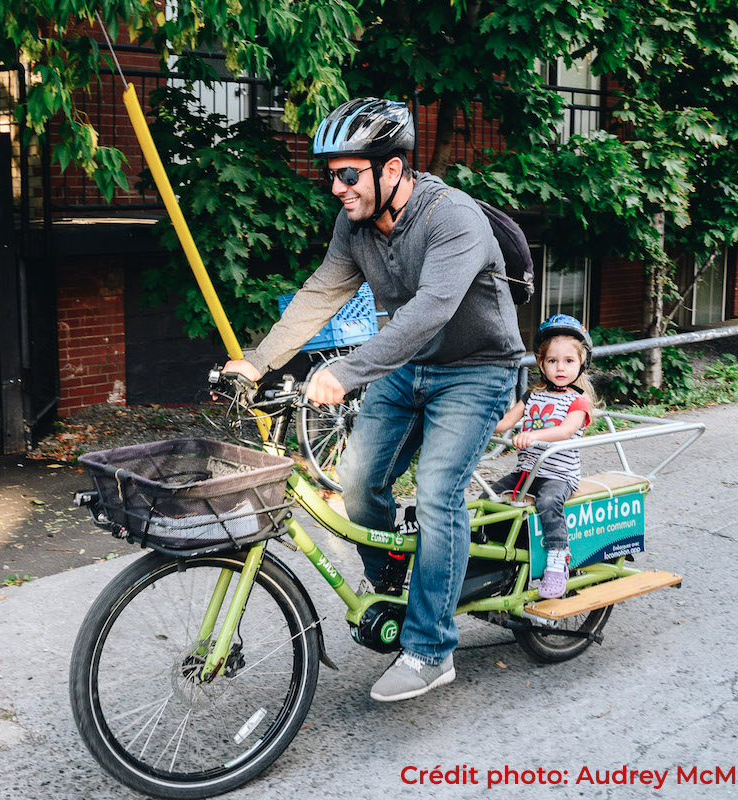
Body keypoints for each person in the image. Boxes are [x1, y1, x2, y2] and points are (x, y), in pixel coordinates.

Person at [222, 97, 523, 702]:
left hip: (477, 371)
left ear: (392, 170)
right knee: (356, 482)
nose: (336, 186)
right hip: (407, 369)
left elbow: (430, 310)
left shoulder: (454, 219)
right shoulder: (354, 227)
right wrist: (256, 362)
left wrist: (350, 370)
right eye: (330, 174)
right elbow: (320, 293)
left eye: (348, 173)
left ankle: (431, 648)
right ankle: (396, 592)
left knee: (439, 492)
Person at [491, 314, 595, 599]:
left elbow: (565, 430)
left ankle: (557, 558)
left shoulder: (578, 401)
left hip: (558, 476)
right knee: (489, 500)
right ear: (541, 363)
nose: (560, 367)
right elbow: (503, 422)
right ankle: (495, 560)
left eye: (569, 361)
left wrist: (533, 436)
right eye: (552, 361)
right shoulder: (532, 396)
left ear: (581, 364)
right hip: (527, 473)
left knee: (549, 503)